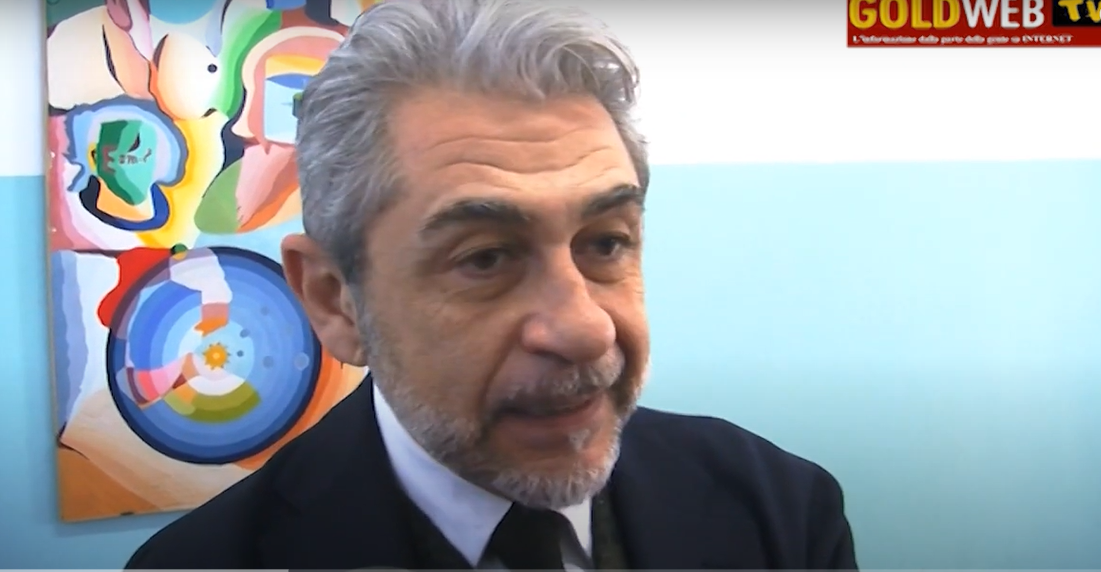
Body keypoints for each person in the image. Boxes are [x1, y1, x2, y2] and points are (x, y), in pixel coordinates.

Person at [126, 0, 859, 569]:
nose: (586, 329)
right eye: (484, 258)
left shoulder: (781, 511)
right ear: (333, 299)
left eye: (606, 242)